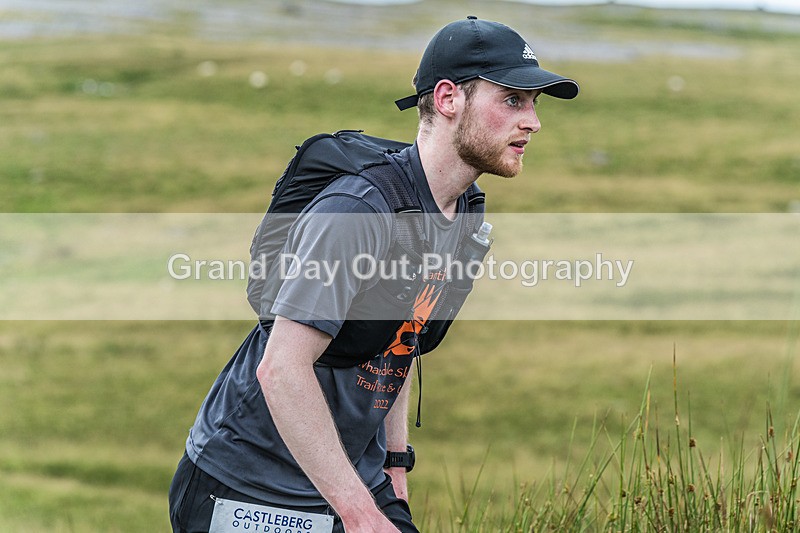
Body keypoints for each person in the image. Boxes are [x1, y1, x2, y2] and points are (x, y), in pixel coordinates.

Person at [169, 16, 578, 533]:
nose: (533, 121)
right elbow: (281, 371)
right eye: (513, 100)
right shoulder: (358, 212)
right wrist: (360, 514)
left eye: (534, 103)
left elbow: (400, 341)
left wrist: (393, 468)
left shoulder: (461, 210)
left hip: (353, 484)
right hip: (248, 486)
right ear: (449, 99)